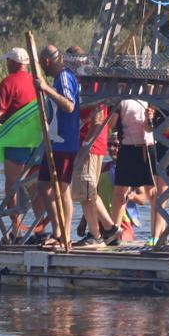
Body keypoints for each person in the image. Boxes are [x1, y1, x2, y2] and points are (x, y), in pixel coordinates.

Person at [65, 49, 120, 248]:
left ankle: (96, 235)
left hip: (91, 144)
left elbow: (97, 119)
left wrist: (86, 145)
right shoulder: (83, 83)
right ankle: (110, 229)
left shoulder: (91, 85)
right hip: (90, 143)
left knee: (86, 193)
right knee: (87, 191)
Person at [0, 47, 39, 238]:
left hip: (17, 141)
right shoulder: (37, 81)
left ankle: (16, 230)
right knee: (34, 186)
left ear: (14, 63)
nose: (6, 64)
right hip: (37, 142)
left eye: (8, 61)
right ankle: (40, 230)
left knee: (12, 184)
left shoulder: (8, 83)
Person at [33, 44, 80, 251]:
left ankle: (65, 235)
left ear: (47, 62)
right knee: (43, 185)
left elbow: (69, 105)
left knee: (62, 188)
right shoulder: (57, 79)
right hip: (55, 141)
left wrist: (45, 89)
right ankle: (58, 232)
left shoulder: (64, 77)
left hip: (64, 142)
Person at [112, 97, 159, 239]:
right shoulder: (120, 96)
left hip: (146, 147)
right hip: (126, 147)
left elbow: (149, 128)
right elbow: (111, 125)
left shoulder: (148, 97)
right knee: (120, 192)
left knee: (152, 192)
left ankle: (155, 236)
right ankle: (113, 233)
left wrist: (148, 117)